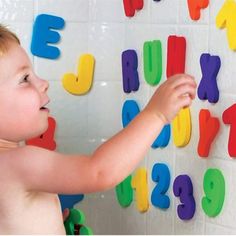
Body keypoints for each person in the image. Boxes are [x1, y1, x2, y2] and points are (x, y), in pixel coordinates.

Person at [0, 24, 196, 234]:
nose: (44, 83)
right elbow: (99, 171)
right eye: (25, 79)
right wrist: (156, 114)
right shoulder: (19, 162)